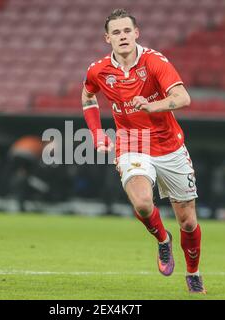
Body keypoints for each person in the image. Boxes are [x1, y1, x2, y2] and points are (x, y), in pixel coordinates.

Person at [82, 9, 206, 294]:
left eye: (127, 31)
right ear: (107, 38)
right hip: (131, 142)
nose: (122, 36)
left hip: (169, 145)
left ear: (136, 33)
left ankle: (193, 273)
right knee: (142, 203)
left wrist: (154, 106)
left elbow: (182, 98)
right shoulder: (98, 70)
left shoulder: (154, 61)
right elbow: (87, 96)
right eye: (116, 32)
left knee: (188, 222)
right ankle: (163, 240)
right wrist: (96, 132)